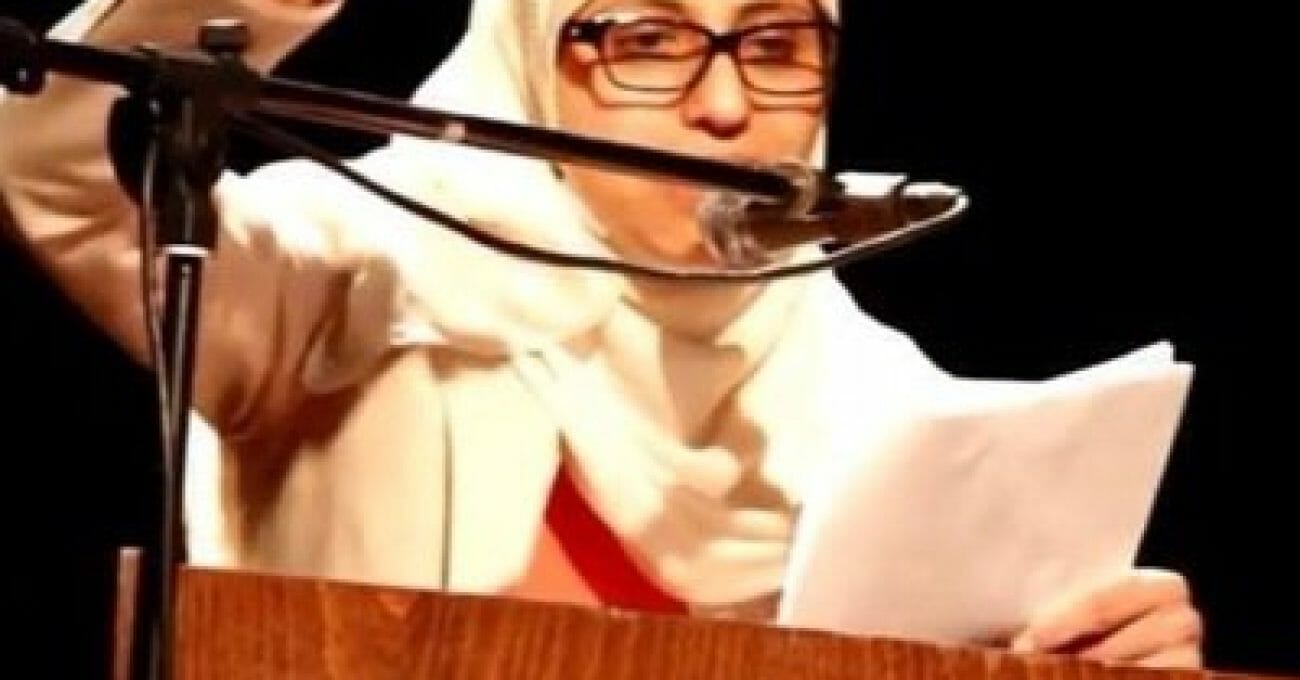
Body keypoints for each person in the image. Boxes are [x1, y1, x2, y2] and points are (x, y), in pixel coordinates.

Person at [0, 0, 1202, 667]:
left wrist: (1111, 654)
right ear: (532, 60)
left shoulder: (879, 391)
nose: (725, 105)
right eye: (646, 43)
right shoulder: (357, 266)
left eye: (775, 45)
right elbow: (54, 175)